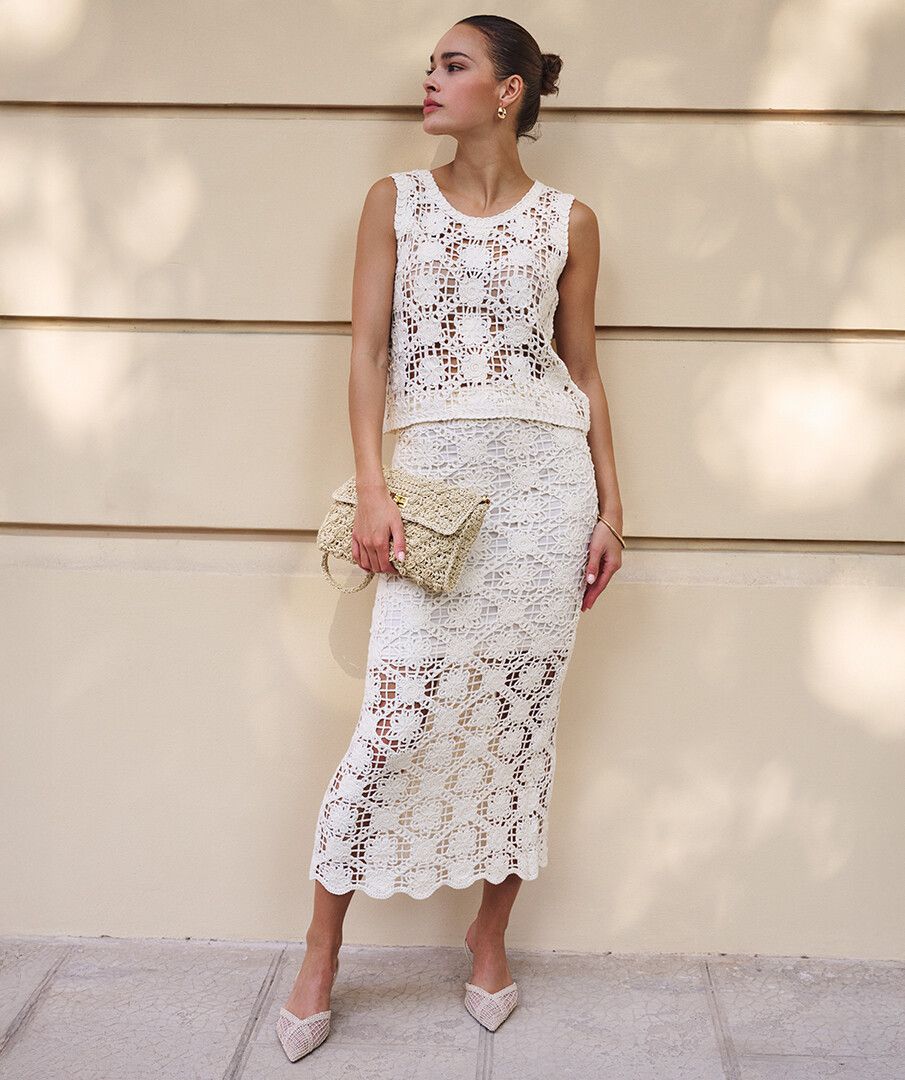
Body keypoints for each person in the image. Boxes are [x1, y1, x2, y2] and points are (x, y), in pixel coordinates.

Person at [276, 14, 624, 1061]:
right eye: (431, 64)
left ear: (509, 91)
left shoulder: (571, 220)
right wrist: (372, 488)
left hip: (544, 492)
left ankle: (488, 933)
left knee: (519, 724)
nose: (429, 80)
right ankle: (318, 954)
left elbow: (584, 370)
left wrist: (611, 509)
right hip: (432, 491)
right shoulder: (393, 202)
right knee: (393, 723)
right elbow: (367, 354)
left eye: (453, 64)